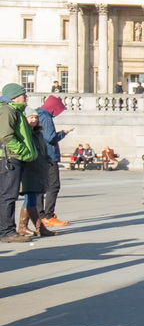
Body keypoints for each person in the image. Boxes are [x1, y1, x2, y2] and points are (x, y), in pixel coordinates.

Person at [1, 84, 38, 242]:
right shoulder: (8, 110)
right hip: (10, 159)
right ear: (15, 96)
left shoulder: (15, 110)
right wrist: (23, 150)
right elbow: (5, 136)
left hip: (12, 158)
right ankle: (7, 231)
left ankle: (6, 229)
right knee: (8, 195)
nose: (26, 97)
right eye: (24, 94)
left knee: (7, 195)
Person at [17, 108, 53, 238]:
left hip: (39, 168)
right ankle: (39, 227)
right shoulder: (25, 133)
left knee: (31, 198)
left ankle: (24, 226)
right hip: (29, 168)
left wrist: (48, 160)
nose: (34, 120)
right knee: (31, 198)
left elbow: (43, 149)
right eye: (31, 117)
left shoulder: (38, 133)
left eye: (36, 118)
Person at [36, 95, 71, 228]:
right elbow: (50, 138)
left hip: (40, 155)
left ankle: (40, 215)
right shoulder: (46, 117)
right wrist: (63, 133)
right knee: (53, 185)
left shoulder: (38, 114)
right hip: (49, 156)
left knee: (40, 187)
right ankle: (48, 215)